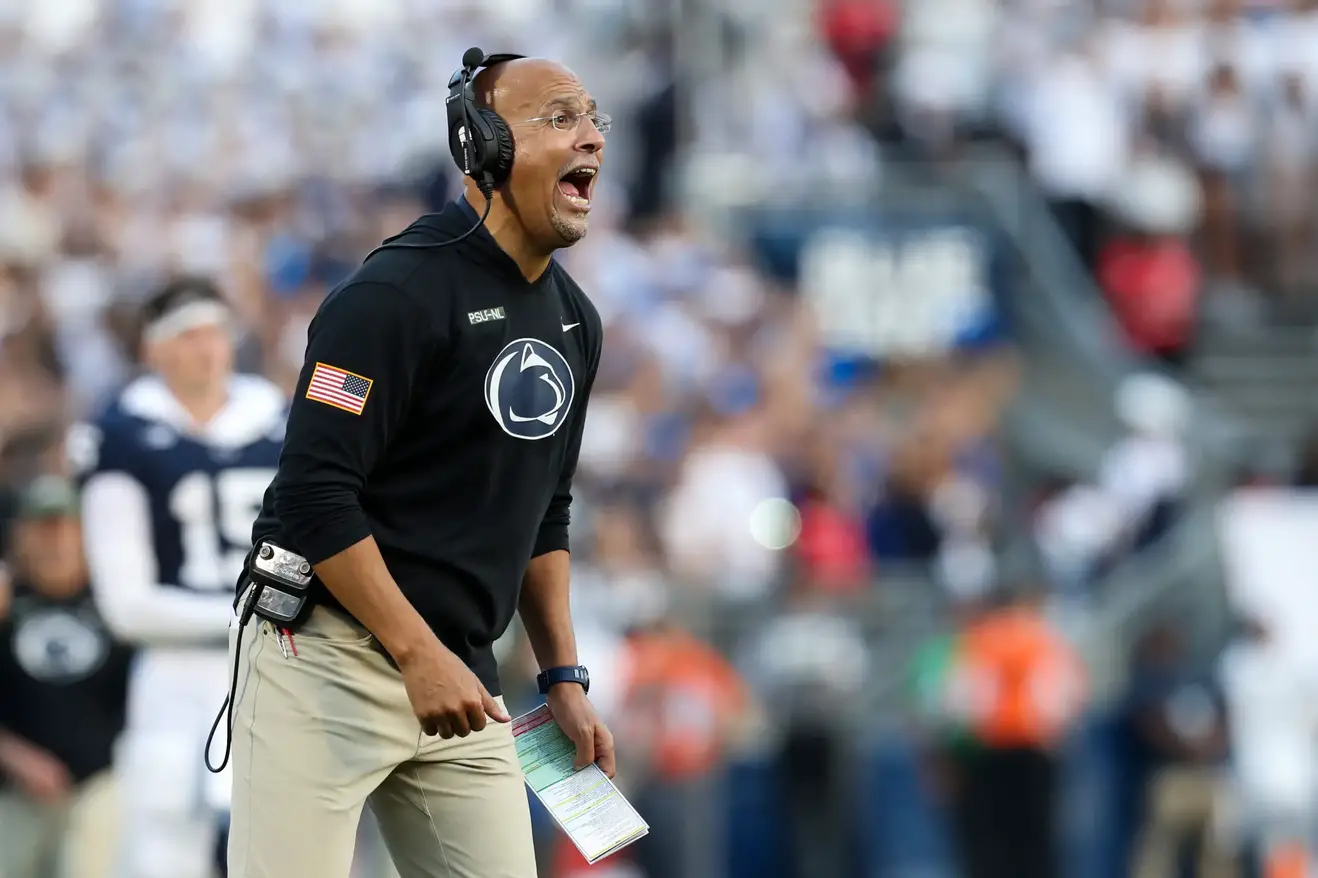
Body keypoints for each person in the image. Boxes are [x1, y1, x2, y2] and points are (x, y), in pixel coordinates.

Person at [227, 49, 612, 878]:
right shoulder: (394, 295)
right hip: (325, 659)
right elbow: (312, 496)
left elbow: (546, 511)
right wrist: (414, 651)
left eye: (593, 119)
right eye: (559, 117)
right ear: (482, 145)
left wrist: (562, 677)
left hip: (461, 675)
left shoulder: (577, 320)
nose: (590, 139)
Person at [74, 278, 287, 878]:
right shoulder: (120, 433)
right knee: (164, 845)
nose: (207, 349)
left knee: (288, 845)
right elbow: (126, 605)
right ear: (154, 350)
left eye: (216, 332)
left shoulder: (277, 419)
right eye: (189, 336)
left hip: (272, 664)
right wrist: (250, 610)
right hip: (174, 674)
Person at [0, 475, 133, 878]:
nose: (54, 543)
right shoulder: (8, 606)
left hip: (101, 786)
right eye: (41, 531)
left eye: (66, 529)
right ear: (18, 538)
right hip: (13, 791)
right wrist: (14, 755)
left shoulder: (118, 606)